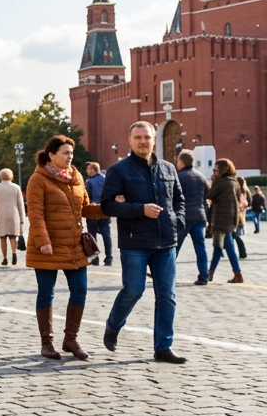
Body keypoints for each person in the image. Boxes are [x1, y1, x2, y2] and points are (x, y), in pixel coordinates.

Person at [100, 122, 186, 364]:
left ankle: (163, 347)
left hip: (166, 242)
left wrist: (176, 220)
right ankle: (113, 325)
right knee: (134, 290)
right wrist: (140, 210)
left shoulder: (168, 168)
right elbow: (108, 204)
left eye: (146, 137)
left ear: (154, 139)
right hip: (134, 242)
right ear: (129, 141)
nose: (143, 141)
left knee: (167, 296)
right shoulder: (119, 171)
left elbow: (179, 199)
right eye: (137, 137)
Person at [25, 135, 105, 360]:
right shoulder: (37, 179)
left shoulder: (76, 177)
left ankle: (71, 338)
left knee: (80, 290)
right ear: (52, 155)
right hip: (47, 246)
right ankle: (46, 342)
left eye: (71, 153)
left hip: (74, 245)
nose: (70, 157)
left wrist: (108, 208)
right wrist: (43, 241)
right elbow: (36, 214)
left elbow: (86, 208)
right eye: (65, 153)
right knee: (46, 293)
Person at [205, 159, 245, 284]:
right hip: (231, 219)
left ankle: (212, 273)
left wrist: (213, 180)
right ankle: (233, 273)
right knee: (225, 246)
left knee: (220, 247)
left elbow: (209, 194)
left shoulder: (221, 182)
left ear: (222, 170)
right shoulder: (235, 182)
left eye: (216, 170)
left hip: (220, 219)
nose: (214, 172)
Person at [174, 151, 209, 285]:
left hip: (184, 217)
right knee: (200, 248)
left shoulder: (179, 177)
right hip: (199, 216)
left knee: (174, 247)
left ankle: (163, 273)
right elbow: (206, 196)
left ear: (181, 162)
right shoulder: (201, 177)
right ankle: (204, 275)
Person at [0, 168, 25, 266]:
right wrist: (22, 218)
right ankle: (14, 253)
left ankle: (5, 258)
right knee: (13, 236)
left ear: (0, 176)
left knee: (3, 237)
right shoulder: (16, 187)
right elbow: (20, 204)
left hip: (1, 214)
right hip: (14, 213)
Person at [84, 162, 112, 265]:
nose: (88, 171)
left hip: (93, 210)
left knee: (92, 235)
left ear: (93, 170)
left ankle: (95, 259)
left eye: (89, 169)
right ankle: (109, 257)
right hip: (105, 209)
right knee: (106, 234)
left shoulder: (89, 182)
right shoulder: (105, 179)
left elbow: (87, 197)